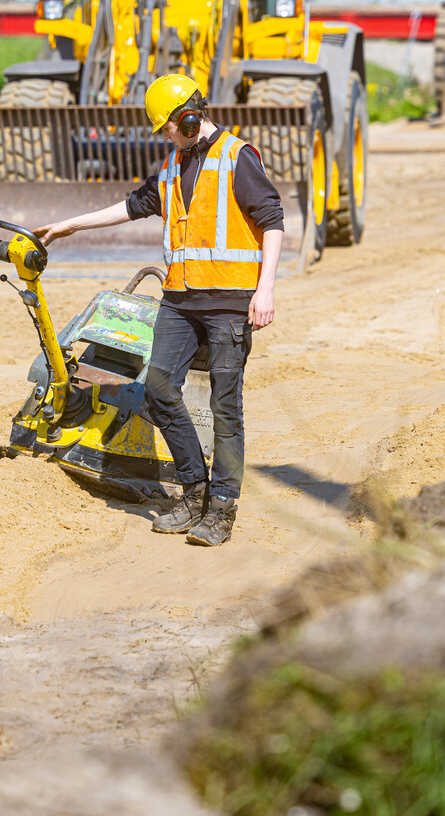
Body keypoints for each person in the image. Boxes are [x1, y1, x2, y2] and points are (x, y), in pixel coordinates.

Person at [35, 74, 284, 546]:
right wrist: (70, 225)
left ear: (189, 116)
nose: (165, 135)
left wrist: (265, 289)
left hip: (230, 302)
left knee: (225, 407)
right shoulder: (172, 166)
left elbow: (271, 220)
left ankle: (222, 508)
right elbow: (129, 206)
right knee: (159, 387)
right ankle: (194, 492)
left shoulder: (238, 156)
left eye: (167, 126)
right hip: (179, 300)